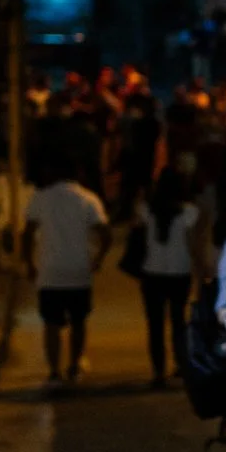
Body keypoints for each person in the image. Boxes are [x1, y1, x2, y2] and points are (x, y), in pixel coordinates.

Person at [22, 163, 113, 388]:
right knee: (78, 321)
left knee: (51, 323)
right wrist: (98, 259)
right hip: (79, 270)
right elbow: (105, 233)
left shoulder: (41, 197)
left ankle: (54, 371)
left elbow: (28, 232)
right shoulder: (88, 199)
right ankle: (74, 366)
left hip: (49, 271)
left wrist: (30, 264)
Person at [135, 168, 202, 386]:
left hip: (152, 272)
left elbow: (137, 228)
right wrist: (200, 270)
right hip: (179, 272)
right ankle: (180, 364)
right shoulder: (189, 212)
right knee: (178, 321)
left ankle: (158, 370)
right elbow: (192, 245)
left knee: (154, 324)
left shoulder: (147, 209)